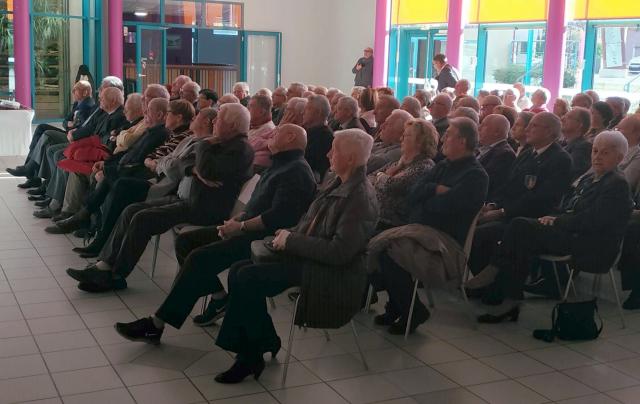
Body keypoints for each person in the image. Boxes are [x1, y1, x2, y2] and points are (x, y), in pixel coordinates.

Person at [114, 124, 316, 340]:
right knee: (186, 241)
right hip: (246, 228)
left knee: (199, 258)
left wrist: (240, 227)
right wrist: (236, 220)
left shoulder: (296, 171)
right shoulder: (280, 164)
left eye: (278, 133)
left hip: (263, 240)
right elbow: (255, 205)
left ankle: (157, 323)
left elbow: (277, 218)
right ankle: (220, 298)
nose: (272, 135)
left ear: (291, 137)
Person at [208, 129, 378, 384]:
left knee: (248, 278)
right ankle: (263, 342)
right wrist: (288, 235)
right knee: (238, 270)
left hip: (330, 272)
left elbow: (339, 253)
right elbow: (311, 222)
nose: (329, 154)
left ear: (351, 158)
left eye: (335, 149)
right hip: (308, 256)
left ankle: (249, 355)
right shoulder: (339, 181)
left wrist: (292, 240)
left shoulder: (359, 197)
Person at [65, 103, 255, 293]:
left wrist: (203, 149)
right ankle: (104, 266)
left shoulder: (239, 149)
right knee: (131, 210)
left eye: (219, 119)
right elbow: (184, 163)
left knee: (142, 219)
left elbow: (207, 170)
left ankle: (116, 276)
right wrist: (192, 168)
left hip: (202, 209)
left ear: (232, 125)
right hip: (185, 198)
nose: (215, 122)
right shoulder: (220, 143)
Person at [477, 131, 632, 322]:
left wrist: (557, 221)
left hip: (591, 243)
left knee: (519, 227)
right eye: (595, 151)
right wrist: (551, 217)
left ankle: (498, 282)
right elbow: (569, 207)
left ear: (620, 157)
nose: (597, 157)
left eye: (605, 153)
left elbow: (592, 221)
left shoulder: (617, 184)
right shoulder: (590, 178)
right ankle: (504, 296)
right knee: (519, 236)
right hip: (571, 233)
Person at [372, 117, 488, 334]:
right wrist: (435, 189)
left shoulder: (475, 175)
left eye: (449, 134)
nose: (443, 138)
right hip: (421, 230)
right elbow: (414, 195)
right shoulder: (444, 165)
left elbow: (447, 207)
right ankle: (399, 306)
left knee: (387, 251)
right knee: (379, 243)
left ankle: (411, 310)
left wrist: (428, 195)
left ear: (462, 141)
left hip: (444, 241)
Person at [467, 112, 573, 281]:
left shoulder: (560, 159)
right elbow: (508, 186)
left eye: (534, 125)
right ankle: (486, 283)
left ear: (549, 131)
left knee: (483, 234)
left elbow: (541, 198)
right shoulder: (528, 153)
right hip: (511, 211)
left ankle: (493, 282)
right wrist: (493, 205)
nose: (528, 129)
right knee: (472, 227)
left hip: (532, 218)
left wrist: (502, 212)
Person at [8, 80, 95, 186]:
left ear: (85, 92)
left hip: (73, 137)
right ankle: (30, 170)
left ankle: (30, 171)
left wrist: (74, 126)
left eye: (75, 90)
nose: (73, 92)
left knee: (47, 135)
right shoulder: (77, 103)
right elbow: (65, 121)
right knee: (41, 128)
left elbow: (83, 127)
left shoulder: (90, 105)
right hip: (67, 131)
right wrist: (68, 123)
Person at [369, 118, 438, 228]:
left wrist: (381, 176)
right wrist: (382, 176)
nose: (401, 139)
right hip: (373, 215)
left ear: (419, 141)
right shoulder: (401, 161)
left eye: (406, 136)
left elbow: (391, 185)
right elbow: (370, 177)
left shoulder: (425, 166)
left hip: (392, 224)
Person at [477, 114, 516, 201]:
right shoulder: (481, 148)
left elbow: (484, 181)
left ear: (496, 132)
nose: (479, 128)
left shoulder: (505, 154)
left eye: (483, 125)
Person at [367, 109, 412, 174]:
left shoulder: (399, 152)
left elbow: (369, 163)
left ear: (398, 131)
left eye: (387, 124)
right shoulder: (384, 143)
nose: (382, 126)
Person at [303, 95, 334, 182]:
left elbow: (308, 163)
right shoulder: (309, 130)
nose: (303, 112)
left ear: (319, 112)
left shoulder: (324, 137)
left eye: (308, 108)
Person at [561, 107, 593, 180]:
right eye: (564, 116)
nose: (562, 119)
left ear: (580, 125)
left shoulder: (583, 147)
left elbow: (570, 173)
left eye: (569, 117)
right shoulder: (561, 143)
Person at [617, 114, 640, 196]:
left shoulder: (637, 156)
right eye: (617, 128)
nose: (616, 132)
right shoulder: (612, 148)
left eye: (620, 129)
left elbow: (624, 184)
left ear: (637, 133)